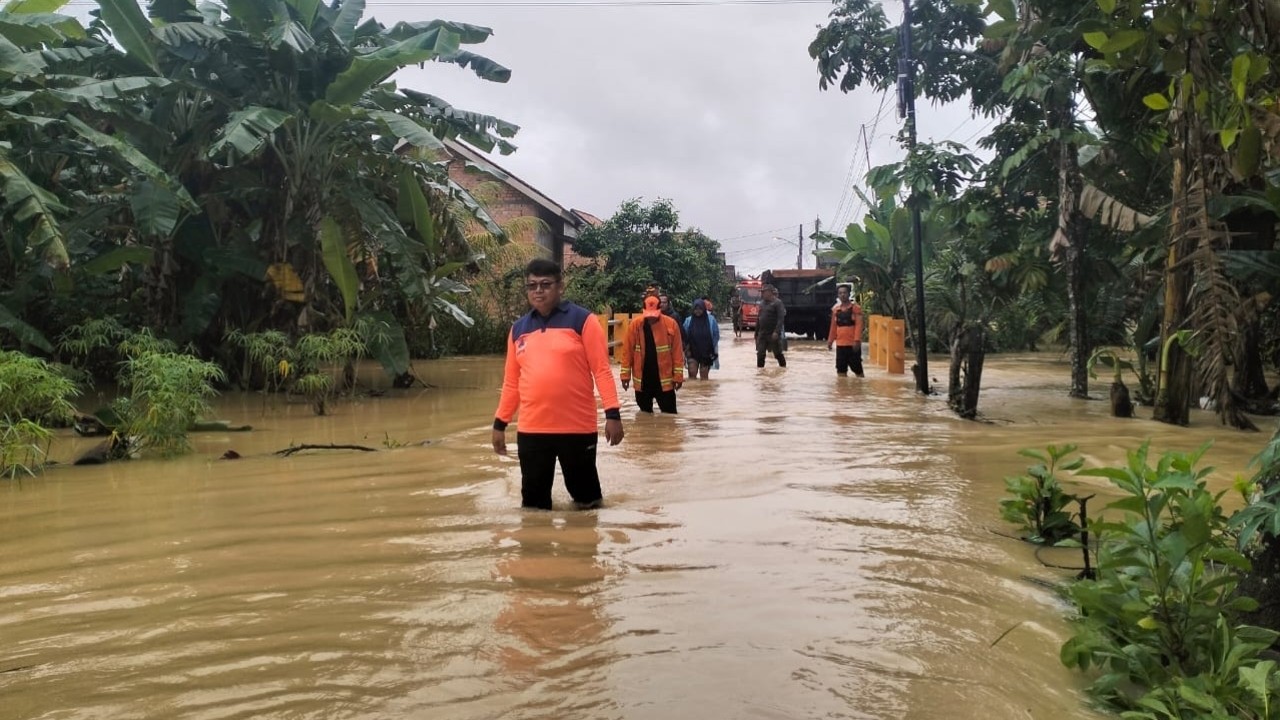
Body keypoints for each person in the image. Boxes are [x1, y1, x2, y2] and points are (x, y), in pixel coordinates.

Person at [492, 258, 624, 511]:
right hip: (532, 431)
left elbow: (602, 371)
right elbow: (511, 383)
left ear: (560, 286)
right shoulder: (518, 330)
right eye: (532, 286)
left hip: (576, 428)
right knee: (533, 506)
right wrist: (500, 423)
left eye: (545, 284)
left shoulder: (583, 321)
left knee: (588, 504)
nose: (538, 291)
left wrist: (613, 414)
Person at [620, 295, 685, 413]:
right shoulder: (635, 325)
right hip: (643, 382)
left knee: (669, 418)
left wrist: (678, 377)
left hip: (664, 382)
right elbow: (627, 352)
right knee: (644, 417)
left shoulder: (671, 324)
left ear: (660, 310)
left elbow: (677, 353)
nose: (651, 319)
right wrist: (625, 376)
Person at [827, 283, 865, 377]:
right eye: (840, 293)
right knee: (840, 369)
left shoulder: (856, 309)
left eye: (844, 293)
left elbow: (859, 325)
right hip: (840, 345)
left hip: (852, 344)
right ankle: (843, 390)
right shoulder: (836, 310)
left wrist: (857, 341)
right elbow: (833, 327)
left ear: (849, 294)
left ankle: (859, 389)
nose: (842, 295)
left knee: (857, 369)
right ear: (838, 295)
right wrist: (830, 341)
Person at [682, 298, 720, 380]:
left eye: (700, 309)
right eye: (696, 309)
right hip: (692, 351)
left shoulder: (711, 320)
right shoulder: (688, 321)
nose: (698, 311)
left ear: (704, 309)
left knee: (704, 377)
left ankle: (704, 393)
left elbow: (716, 335)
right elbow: (684, 336)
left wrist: (711, 349)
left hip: (706, 352)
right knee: (692, 374)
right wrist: (685, 350)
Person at [755, 283, 786, 368]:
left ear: (769, 292)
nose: (762, 294)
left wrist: (776, 331)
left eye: (763, 292)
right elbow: (759, 318)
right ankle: (760, 373)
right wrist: (756, 333)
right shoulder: (761, 303)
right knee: (760, 354)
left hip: (772, 333)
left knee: (778, 354)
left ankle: (783, 368)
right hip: (762, 333)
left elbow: (781, 318)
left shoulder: (777, 303)